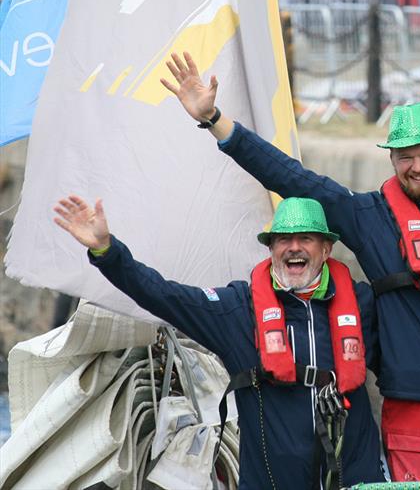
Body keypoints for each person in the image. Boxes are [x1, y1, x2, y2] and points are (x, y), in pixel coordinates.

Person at [160, 52, 420, 481]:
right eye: (405, 157)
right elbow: (292, 178)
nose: (417, 166)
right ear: (392, 159)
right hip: (417, 417)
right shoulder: (369, 218)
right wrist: (214, 120)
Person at [53, 195, 385, 489]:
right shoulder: (237, 310)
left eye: (305, 239)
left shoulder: (362, 303)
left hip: (353, 477)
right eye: (283, 239)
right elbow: (163, 295)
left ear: (326, 249)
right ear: (270, 249)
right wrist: (107, 251)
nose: (293, 247)